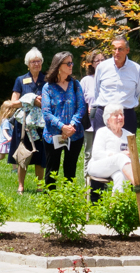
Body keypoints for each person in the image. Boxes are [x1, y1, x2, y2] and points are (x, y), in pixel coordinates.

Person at [39, 52, 86, 190]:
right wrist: (62, 127)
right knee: (52, 170)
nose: (72, 66)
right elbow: (46, 113)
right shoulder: (48, 87)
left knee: (70, 170)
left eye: (72, 63)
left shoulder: (75, 85)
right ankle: (50, 202)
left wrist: (71, 126)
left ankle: (68, 201)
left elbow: (81, 107)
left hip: (75, 134)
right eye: (68, 63)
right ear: (59, 66)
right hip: (53, 135)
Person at [9, 48, 48, 185]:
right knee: (23, 154)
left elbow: (51, 102)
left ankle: (39, 186)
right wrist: (31, 100)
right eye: (33, 61)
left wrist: (41, 103)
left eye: (38, 61)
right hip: (24, 124)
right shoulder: (21, 80)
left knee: (40, 155)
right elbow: (14, 102)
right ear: (28, 64)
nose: (36, 64)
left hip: (41, 124)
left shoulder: (48, 80)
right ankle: (20, 186)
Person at [90, 35, 140, 133]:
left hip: (126, 114)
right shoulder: (102, 67)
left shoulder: (136, 69)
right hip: (104, 113)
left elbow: (137, 92)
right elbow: (96, 90)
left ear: (127, 50)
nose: (116, 52)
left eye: (120, 49)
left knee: (127, 146)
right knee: (101, 146)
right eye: (114, 49)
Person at [85, 106, 140, 201]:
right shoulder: (102, 132)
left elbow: (136, 160)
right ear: (108, 120)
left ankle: (115, 208)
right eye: (116, 115)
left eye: (121, 114)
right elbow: (97, 154)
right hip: (98, 166)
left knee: (120, 176)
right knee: (120, 158)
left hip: (118, 169)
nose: (120, 117)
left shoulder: (129, 135)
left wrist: (130, 156)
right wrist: (116, 156)